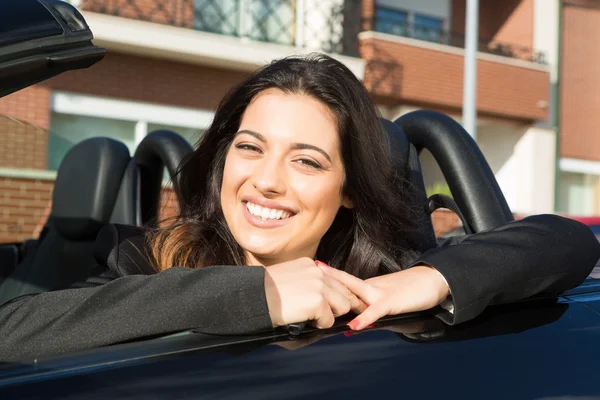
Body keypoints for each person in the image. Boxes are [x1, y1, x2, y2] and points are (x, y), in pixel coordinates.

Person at [0, 54, 598, 361]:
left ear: (349, 188)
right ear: (221, 160)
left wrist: (426, 279)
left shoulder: (377, 277)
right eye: (250, 149)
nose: (265, 181)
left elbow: (567, 243)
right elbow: (17, 331)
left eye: (307, 162)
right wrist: (249, 294)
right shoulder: (151, 255)